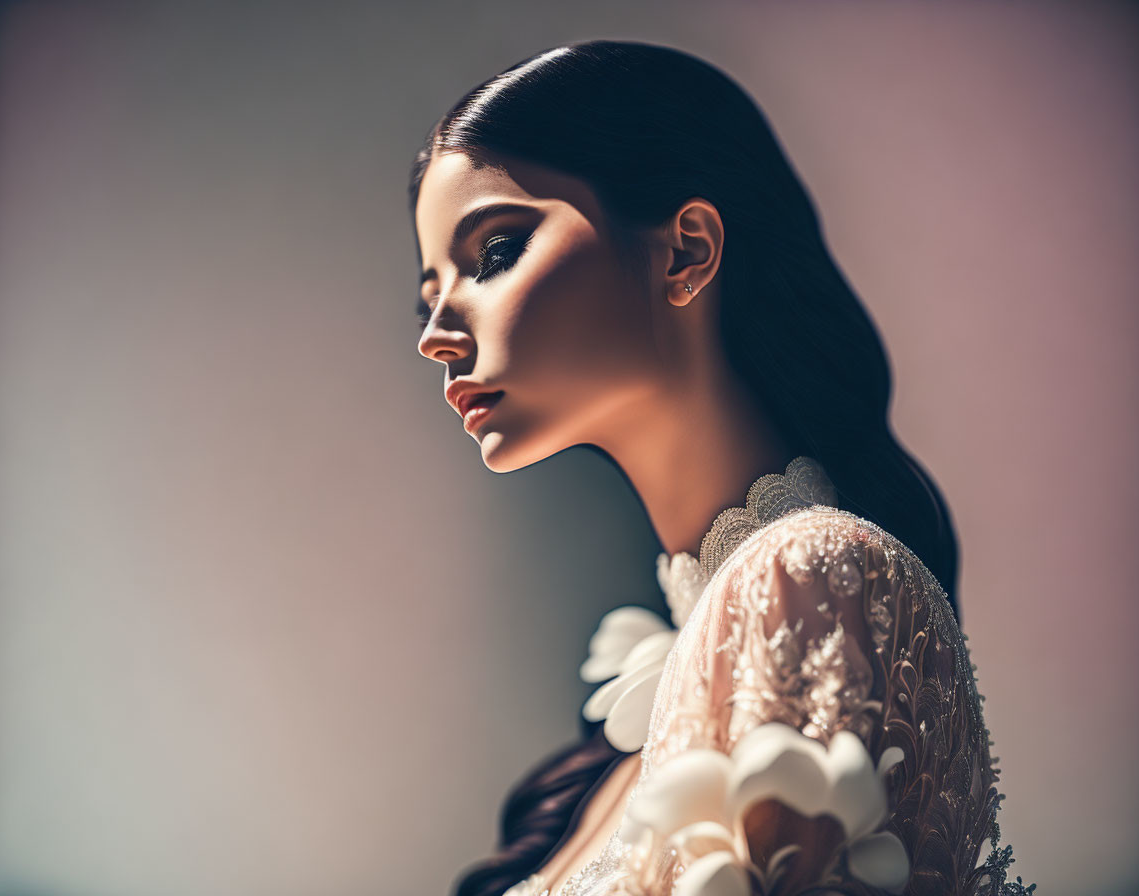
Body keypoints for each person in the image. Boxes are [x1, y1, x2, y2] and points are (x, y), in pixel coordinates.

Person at [409, 40, 1034, 896]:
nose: (436, 333)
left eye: (493, 253)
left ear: (687, 250)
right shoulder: (656, 697)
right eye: (428, 291)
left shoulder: (815, 571)